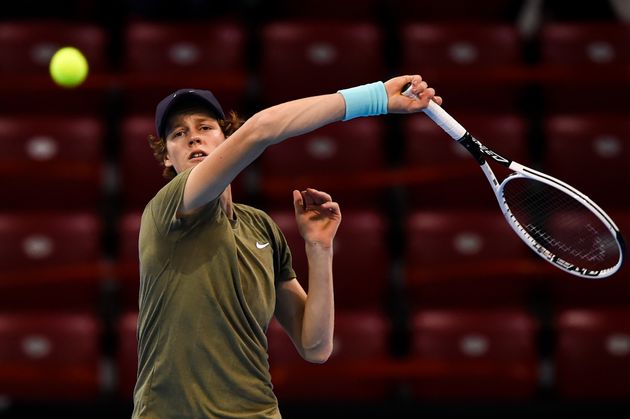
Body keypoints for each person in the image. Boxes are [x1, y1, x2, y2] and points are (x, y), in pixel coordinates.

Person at [132, 74, 442, 418]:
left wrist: (319, 249)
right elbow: (262, 128)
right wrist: (373, 98)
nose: (192, 138)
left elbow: (315, 346)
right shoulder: (168, 211)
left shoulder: (260, 227)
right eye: (178, 134)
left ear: (226, 138)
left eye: (205, 127)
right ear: (166, 158)